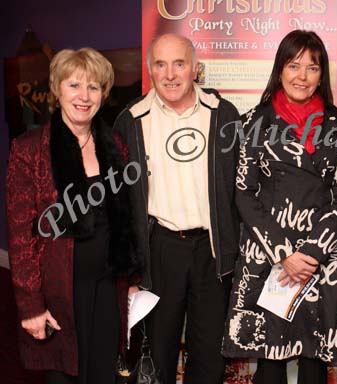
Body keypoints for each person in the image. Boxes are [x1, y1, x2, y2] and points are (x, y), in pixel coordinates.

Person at [221, 30, 337, 384]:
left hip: (318, 259)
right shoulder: (253, 122)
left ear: (321, 74)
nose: (302, 76)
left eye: (312, 68)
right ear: (279, 69)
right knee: (271, 357)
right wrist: (285, 254)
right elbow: (244, 194)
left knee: (314, 357)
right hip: (270, 258)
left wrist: (309, 253)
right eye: (293, 66)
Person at [7, 48, 141, 384]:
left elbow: (125, 218)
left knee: (105, 375)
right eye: (74, 85)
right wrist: (31, 306)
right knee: (64, 377)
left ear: (104, 94)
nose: (84, 96)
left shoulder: (116, 145)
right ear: (57, 89)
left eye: (94, 87)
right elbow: (22, 236)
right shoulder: (29, 150)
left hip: (109, 286)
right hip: (59, 293)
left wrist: (133, 281)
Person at [113, 33, 240, 384]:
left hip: (212, 251)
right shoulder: (131, 120)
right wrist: (128, 269)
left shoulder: (224, 114)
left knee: (210, 353)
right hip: (159, 250)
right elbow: (119, 204)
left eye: (179, 64)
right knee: (157, 352)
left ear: (195, 69)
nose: (170, 74)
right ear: (150, 70)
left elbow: (239, 190)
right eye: (161, 64)